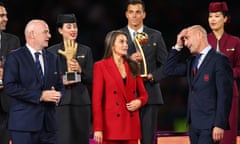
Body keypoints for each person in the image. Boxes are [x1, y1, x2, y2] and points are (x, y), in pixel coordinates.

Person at [163, 25, 233, 144]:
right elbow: (168, 70)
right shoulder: (192, 61)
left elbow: (224, 95)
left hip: (210, 125)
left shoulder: (219, 60)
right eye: (184, 40)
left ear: (200, 35)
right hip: (194, 124)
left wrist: (219, 124)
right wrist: (177, 46)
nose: (185, 43)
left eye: (187, 38)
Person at [3, 19, 65, 144]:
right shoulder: (15, 57)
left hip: (48, 126)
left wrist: (58, 95)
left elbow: (59, 85)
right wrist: (40, 95)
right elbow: (10, 86)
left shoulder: (53, 58)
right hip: (23, 126)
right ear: (32, 34)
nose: (49, 36)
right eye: (45, 32)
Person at [119, 0, 168, 144]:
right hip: (124, 95)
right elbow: (109, 64)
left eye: (138, 12)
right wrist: (127, 59)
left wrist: (153, 76)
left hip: (150, 93)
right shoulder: (117, 36)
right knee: (125, 138)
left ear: (144, 15)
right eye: (131, 12)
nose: (134, 15)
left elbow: (166, 65)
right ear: (126, 14)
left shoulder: (155, 35)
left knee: (148, 139)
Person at [92, 30, 148, 144]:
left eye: (126, 42)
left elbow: (144, 94)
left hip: (131, 126)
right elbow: (97, 101)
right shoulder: (100, 66)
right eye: (121, 42)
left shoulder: (133, 65)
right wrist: (98, 128)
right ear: (112, 45)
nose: (126, 45)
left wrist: (139, 102)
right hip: (110, 128)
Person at [48, 14, 93, 144]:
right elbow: (47, 79)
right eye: (69, 27)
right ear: (60, 30)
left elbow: (91, 78)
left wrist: (80, 70)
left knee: (82, 139)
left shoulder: (86, 50)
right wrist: (61, 79)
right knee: (63, 140)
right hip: (61, 103)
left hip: (82, 102)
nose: (73, 30)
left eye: (75, 26)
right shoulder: (52, 52)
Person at [207, 2, 240, 144]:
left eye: (217, 16)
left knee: (227, 137)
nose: (213, 19)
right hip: (206, 94)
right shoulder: (203, 40)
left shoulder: (235, 41)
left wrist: (224, 74)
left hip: (229, 94)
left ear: (225, 19)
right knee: (206, 135)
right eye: (210, 16)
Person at [0, 2, 21, 144]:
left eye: (6, 15)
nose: (6, 19)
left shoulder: (13, 41)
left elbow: (20, 71)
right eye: (1, 15)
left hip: (6, 108)